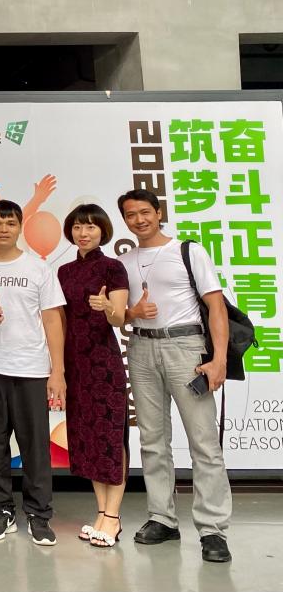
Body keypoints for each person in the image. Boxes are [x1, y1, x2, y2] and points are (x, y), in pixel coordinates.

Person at [117, 189, 232, 563]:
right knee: (152, 439)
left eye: (145, 212)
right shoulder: (124, 261)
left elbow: (216, 307)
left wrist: (218, 359)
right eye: (131, 215)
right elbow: (119, 315)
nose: (139, 220)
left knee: (203, 441)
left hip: (186, 348)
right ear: (125, 220)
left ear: (158, 212)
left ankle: (212, 530)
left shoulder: (188, 251)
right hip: (140, 348)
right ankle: (162, 518)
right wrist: (133, 313)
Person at [0, 200, 66, 546]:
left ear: (20, 227)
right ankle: (0, 511)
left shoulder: (38, 268)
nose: (3, 229)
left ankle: (39, 514)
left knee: (35, 445)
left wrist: (57, 371)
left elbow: (52, 320)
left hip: (30, 369)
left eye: (10, 223)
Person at [56, 204, 130, 548]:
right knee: (88, 438)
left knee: (111, 436)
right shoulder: (64, 271)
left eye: (90, 227)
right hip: (74, 361)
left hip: (103, 360)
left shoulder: (113, 267)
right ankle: (101, 512)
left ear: (103, 231)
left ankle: (113, 517)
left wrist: (107, 307)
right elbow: (58, 320)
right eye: (77, 227)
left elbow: (119, 318)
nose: (83, 233)